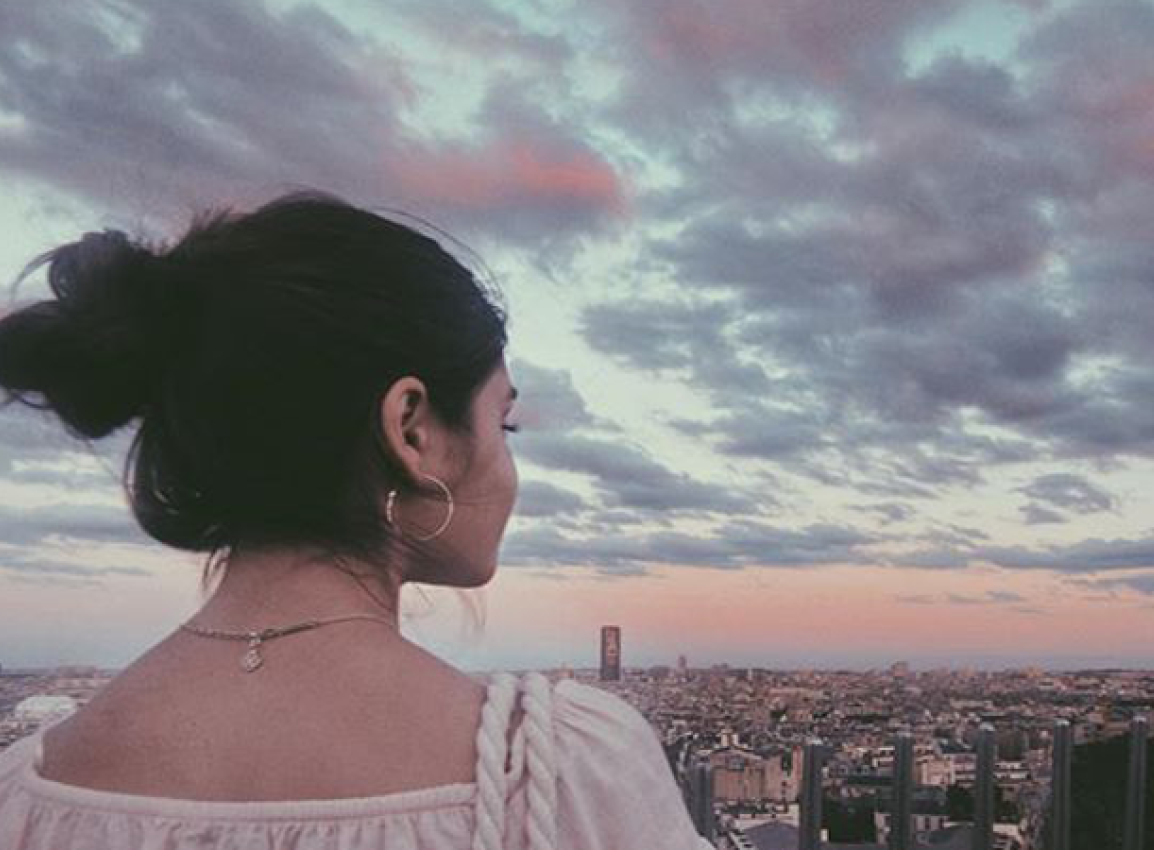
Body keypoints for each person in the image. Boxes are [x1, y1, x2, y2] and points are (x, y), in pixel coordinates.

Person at [0, 193, 714, 849]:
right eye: (507, 423)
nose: (509, 466)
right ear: (410, 429)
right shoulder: (561, 777)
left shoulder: (26, 794)